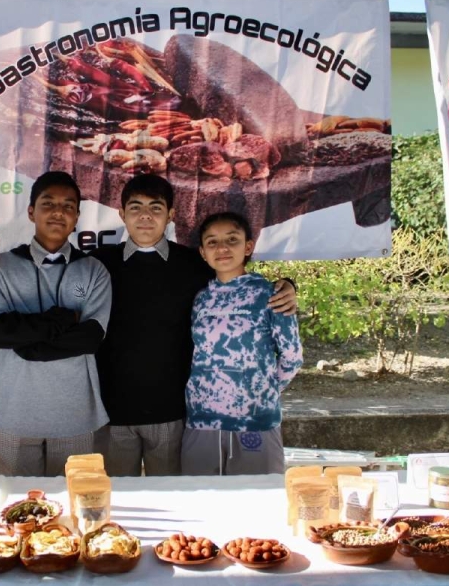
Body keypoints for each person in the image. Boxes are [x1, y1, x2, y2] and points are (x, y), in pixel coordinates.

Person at [91, 174, 298, 476]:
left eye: (156, 208)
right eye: (135, 208)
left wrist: (288, 286)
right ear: (122, 214)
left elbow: (238, 281)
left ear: (171, 215)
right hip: (116, 410)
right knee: (121, 502)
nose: (146, 216)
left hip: (174, 414)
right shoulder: (97, 263)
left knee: (183, 499)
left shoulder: (194, 265)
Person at [0, 171, 111, 476]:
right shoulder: (2, 267)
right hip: (14, 415)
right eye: (48, 203)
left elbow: (90, 338)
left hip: (76, 415)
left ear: (77, 215)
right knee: (17, 506)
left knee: (75, 503)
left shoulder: (94, 270)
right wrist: (64, 319)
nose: (58, 212)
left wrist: (25, 342)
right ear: (31, 211)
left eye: (68, 205)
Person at [181, 211, 303, 476]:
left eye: (232, 240)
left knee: (257, 502)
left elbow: (292, 357)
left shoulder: (271, 294)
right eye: (212, 242)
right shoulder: (200, 299)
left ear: (248, 246)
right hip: (202, 421)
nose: (222, 248)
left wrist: (262, 390)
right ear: (202, 252)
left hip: (255, 421)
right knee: (199, 501)